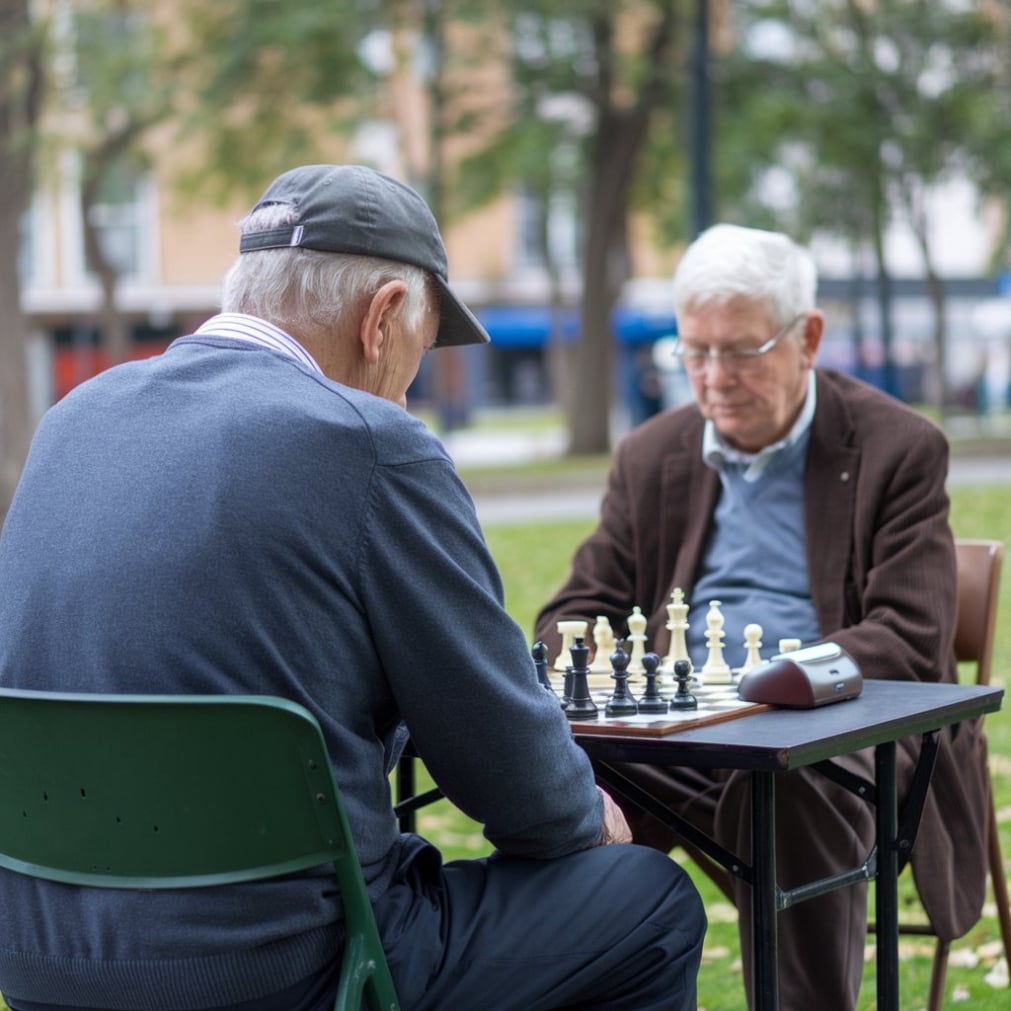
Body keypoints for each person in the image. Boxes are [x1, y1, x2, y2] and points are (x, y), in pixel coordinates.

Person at [0, 164, 706, 1011]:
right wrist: (589, 817)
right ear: (380, 319)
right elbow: (523, 789)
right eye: (419, 349)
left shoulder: (73, 418)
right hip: (283, 972)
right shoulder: (368, 440)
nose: (409, 386)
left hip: (46, 962)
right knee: (645, 900)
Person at [534, 223, 989, 1011]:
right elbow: (570, 614)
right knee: (551, 768)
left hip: (842, 736)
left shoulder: (897, 447)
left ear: (806, 336)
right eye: (693, 351)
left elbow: (907, 639)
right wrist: (647, 683)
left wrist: (764, 688)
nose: (713, 378)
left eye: (738, 351)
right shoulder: (651, 453)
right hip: (688, 733)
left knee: (786, 785)